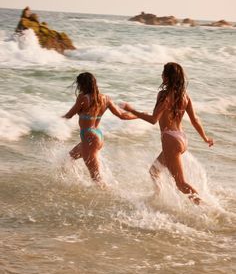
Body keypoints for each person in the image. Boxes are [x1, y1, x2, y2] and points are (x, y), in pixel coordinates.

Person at [122, 62, 213, 204]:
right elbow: (195, 119)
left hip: (170, 140)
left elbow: (153, 120)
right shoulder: (185, 96)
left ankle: (206, 207)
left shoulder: (164, 95)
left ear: (167, 77)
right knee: (154, 171)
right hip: (181, 139)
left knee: (181, 183)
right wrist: (205, 138)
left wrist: (132, 110)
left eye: (163, 73)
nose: (161, 75)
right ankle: (159, 198)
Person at [62, 72, 137, 186]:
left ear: (82, 85)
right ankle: (72, 184)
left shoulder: (83, 98)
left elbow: (69, 115)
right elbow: (122, 116)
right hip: (97, 136)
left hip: (89, 138)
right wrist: (139, 115)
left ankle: (109, 198)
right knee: (68, 158)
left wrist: (54, 119)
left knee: (97, 179)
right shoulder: (106, 99)